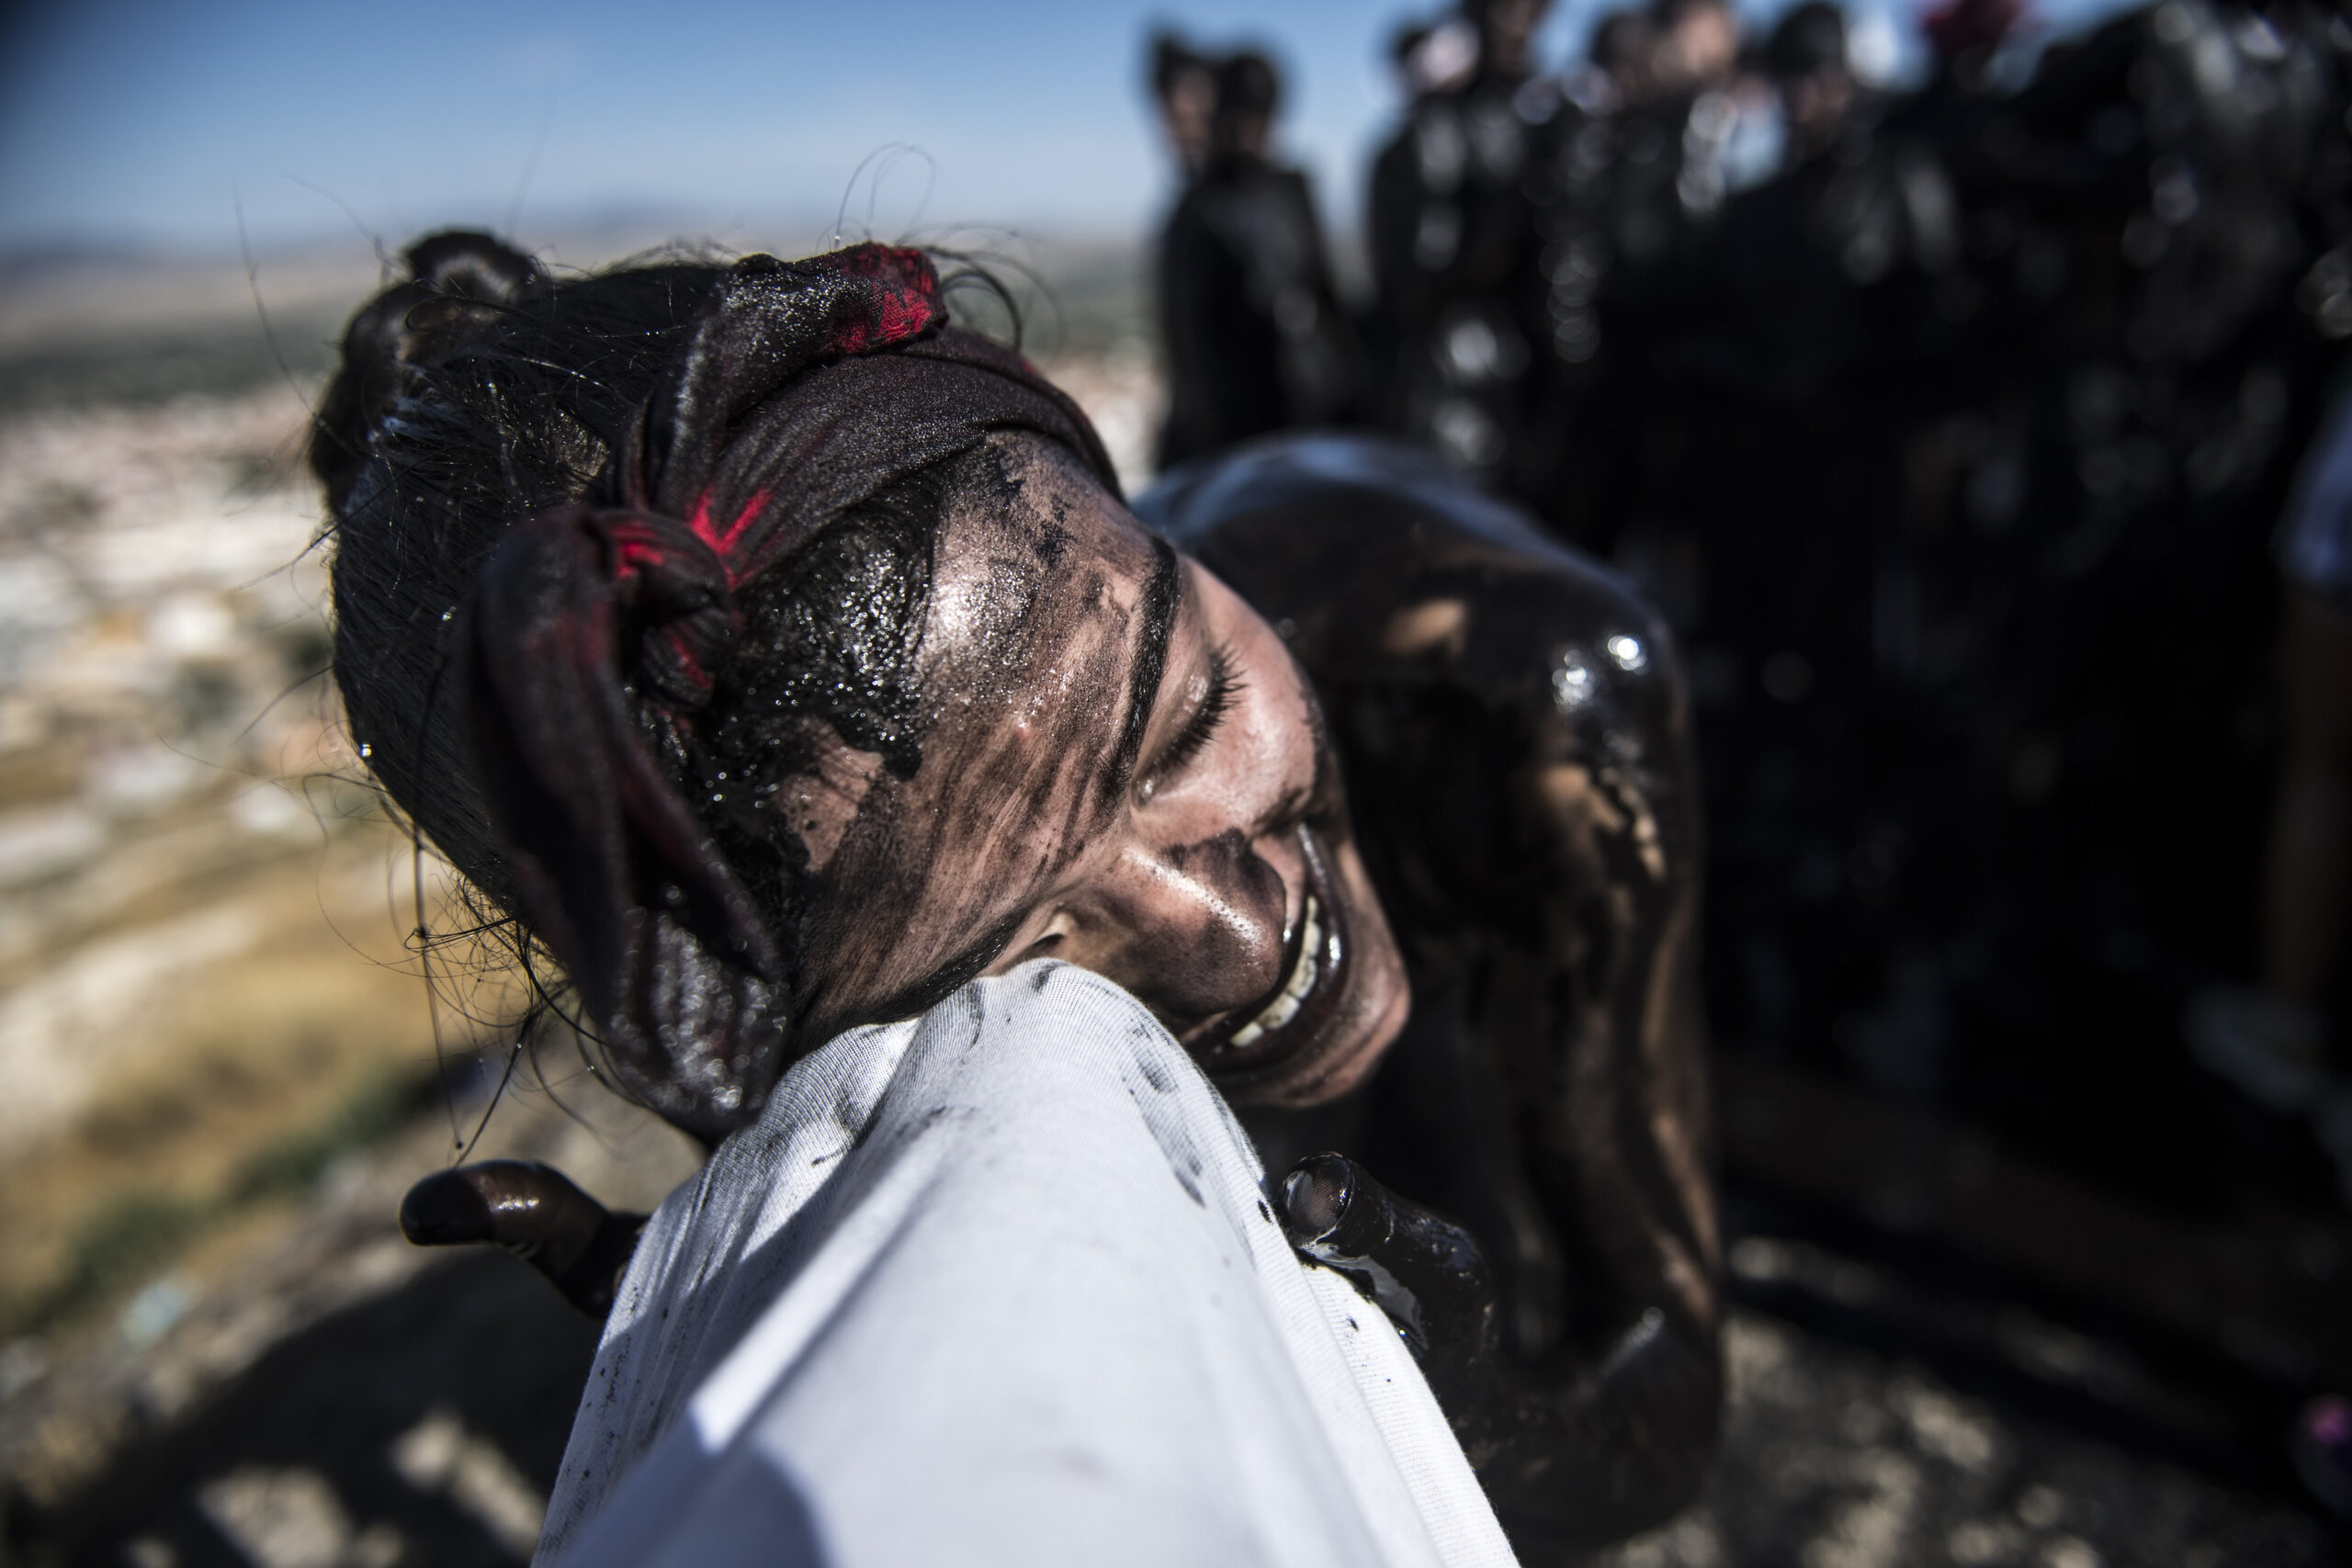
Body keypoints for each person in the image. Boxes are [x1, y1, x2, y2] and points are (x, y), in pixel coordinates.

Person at [321, 232, 1721, 1560]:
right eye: (1024, 962)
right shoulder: (741, 975)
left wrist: (1457, 1417)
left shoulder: (1528, 702)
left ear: (1137, 533)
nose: (1239, 939)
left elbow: (1664, 1393)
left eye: (1192, 721)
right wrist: (776, 1257)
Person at [1155, 49, 1362, 467]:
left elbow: (1326, 297)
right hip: (1234, 439)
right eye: (1241, 116)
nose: (1251, 131)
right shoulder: (1198, 212)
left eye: (1260, 116)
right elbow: (1194, 349)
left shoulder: (1292, 191)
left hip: (1313, 421)